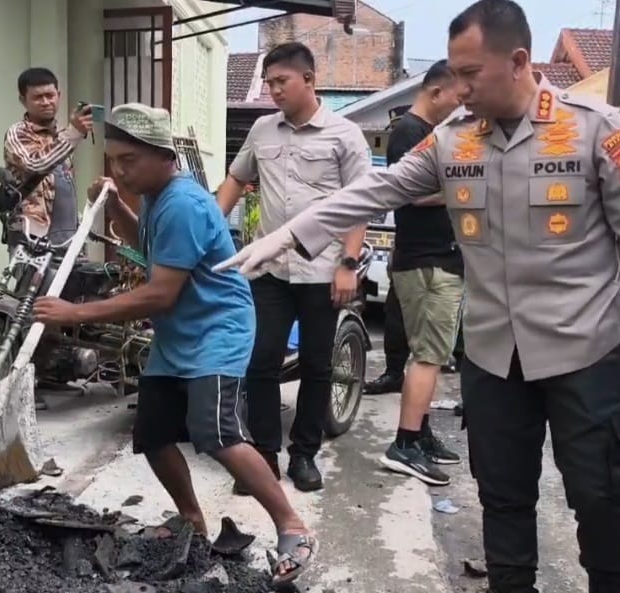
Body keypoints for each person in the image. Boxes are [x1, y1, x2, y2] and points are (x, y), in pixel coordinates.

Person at [217, 2, 620, 591]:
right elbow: (376, 188)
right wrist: (290, 232)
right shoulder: (453, 141)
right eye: (453, 75)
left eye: (469, 74)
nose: (457, 90)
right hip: (491, 354)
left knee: (598, 493)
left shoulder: (593, 127)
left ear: (517, 62)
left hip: (582, 350)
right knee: (503, 493)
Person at [31, 103, 318, 586]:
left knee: (218, 435)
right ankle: (191, 520)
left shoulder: (183, 203)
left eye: (129, 161)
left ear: (164, 156)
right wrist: (118, 206)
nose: (120, 170)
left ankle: (293, 527)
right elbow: (150, 251)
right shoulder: (154, 197)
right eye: (114, 160)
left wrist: (75, 312)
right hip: (178, 333)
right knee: (153, 433)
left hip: (216, 332)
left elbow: (160, 292)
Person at [216, 42, 372, 494]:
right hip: (269, 267)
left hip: (323, 270)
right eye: (268, 83)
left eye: (281, 82)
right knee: (261, 361)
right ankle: (265, 455)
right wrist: (208, 231)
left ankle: (304, 454)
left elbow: (361, 203)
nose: (273, 91)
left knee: (317, 365)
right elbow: (235, 180)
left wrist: (348, 262)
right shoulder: (263, 130)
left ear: (309, 79)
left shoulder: (344, 135)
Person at [370, 60, 464, 486]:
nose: (461, 108)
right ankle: (404, 444)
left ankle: (421, 436)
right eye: (459, 99)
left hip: (438, 259)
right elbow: (407, 193)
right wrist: (466, 192)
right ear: (438, 92)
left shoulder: (431, 132)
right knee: (429, 356)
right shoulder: (410, 131)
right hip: (427, 261)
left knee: (431, 354)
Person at [2, 67, 93, 410]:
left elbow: (63, 184)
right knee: (31, 308)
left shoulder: (59, 134)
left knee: (61, 308)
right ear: (23, 99)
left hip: (66, 236)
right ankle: (23, 385)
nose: (46, 102)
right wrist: (72, 134)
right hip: (32, 235)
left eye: (51, 95)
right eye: (38, 96)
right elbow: (35, 165)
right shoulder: (18, 134)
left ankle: (50, 372)